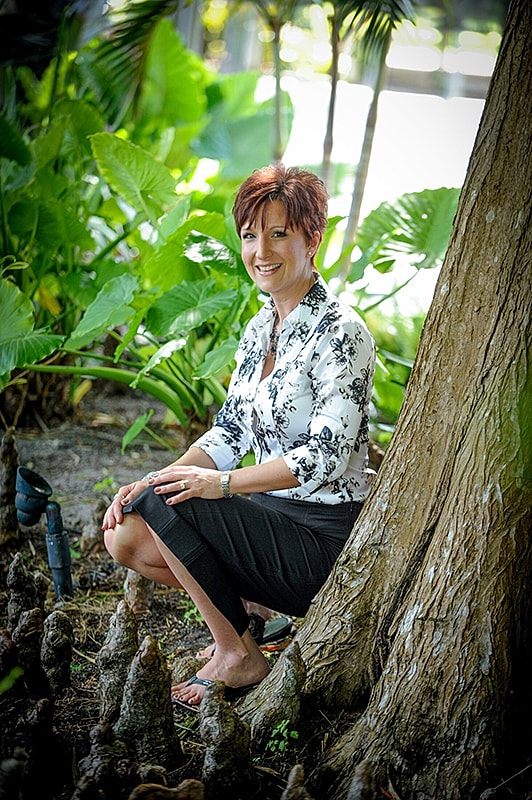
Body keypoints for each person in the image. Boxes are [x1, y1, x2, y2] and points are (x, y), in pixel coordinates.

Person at [102, 163, 376, 709]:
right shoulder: (259, 328)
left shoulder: (343, 333)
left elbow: (324, 457)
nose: (262, 250)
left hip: (322, 541)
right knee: (126, 533)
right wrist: (156, 478)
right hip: (270, 522)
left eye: (279, 233)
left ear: (313, 237)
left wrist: (219, 484)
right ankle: (257, 615)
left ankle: (239, 655)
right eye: (251, 235)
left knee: (169, 501)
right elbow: (230, 430)